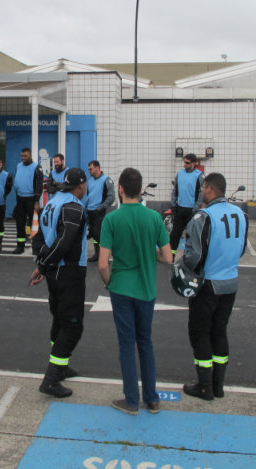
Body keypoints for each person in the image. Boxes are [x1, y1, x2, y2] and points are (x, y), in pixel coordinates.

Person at [98, 167, 172, 415]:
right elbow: (168, 257)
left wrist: (109, 282)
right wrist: (146, 253)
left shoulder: (111, 219)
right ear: (141, 190)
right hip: (146, 289)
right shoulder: (153, 217)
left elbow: (102, 263)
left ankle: (131, 401)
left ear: (120, 189)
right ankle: (152, 399)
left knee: (126, 345)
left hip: (121, 289)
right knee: (146, 343)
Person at [180, 173, 249, 401]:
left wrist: (184, 265)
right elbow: (241, 250)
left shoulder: (203, 216)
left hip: (208, 284)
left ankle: (204, 386)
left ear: (209, 189)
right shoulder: (241, 214)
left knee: (199, 332)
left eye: (203, 188)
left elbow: (195, 256)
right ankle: (218, 386)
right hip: (230, 283)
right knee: (219, 331)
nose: (202, 192)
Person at [30, 168, 89, 398]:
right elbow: (65, 244)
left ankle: (61, 368)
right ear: (81, 185)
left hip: (54, 273)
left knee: (60, 320)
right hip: (69, 272)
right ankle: (51, 379)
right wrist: (48, 263)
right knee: (73, 326)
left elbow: (40, 239)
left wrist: (44, 265)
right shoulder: (74, 206)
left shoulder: (51, 203)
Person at [169, 154, 205, 260]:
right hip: (180, 209)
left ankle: (188, 258)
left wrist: (196, 209)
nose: (185, 164)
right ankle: (172, 255)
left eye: (187, 163)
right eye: (184, 162)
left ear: (194, 164)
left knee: (191, 236)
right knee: (175, 235)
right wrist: (173, 205)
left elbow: (201, 194)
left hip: (192, 210)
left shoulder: (199, 175)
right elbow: (175, 190)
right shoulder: (179, 173)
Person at [11, 147, 44, 254]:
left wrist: (36, 201)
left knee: (33, 225)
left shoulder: (37, 167)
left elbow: (39, 185)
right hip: (20, 199)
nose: (23, 158)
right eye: (22, 156)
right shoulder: (18, 166)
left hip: (32, 200)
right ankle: (20, 246)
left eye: (25, 156)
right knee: (20, 224)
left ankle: (35, 247)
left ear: (31, 155)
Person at [86, 160, 115, 262]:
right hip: (90, 211)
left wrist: (101, 207)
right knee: (93, 234)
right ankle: (97, 254)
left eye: (91, 169)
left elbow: (111, 197)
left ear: (97, 168)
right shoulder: (90, 182)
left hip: (99, 211)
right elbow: (88, 196)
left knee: (98, 233)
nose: (89, 171)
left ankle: (105, 255)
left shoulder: (106, 180)